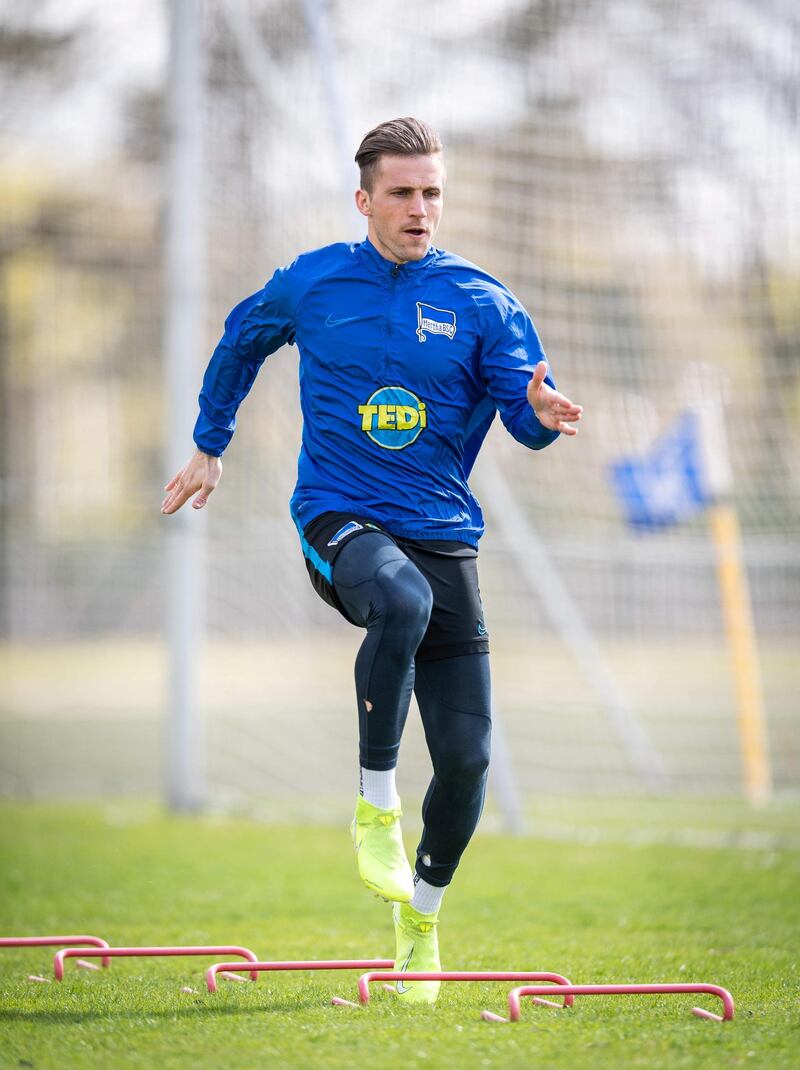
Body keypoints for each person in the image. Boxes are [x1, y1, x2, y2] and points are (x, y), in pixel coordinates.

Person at [162, 117, 582, 1004]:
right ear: (365, 199)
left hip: (445, 534)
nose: (421, 208)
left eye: (433, 192)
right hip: (339, 520)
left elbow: (523, 414)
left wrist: (542, 417)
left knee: (468, 760)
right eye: (402, 192)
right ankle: (375, 804)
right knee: (398, 599)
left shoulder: (484, 301)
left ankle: (419, 926)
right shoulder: (313, 282)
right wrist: (210, 442)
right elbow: (242, 338)